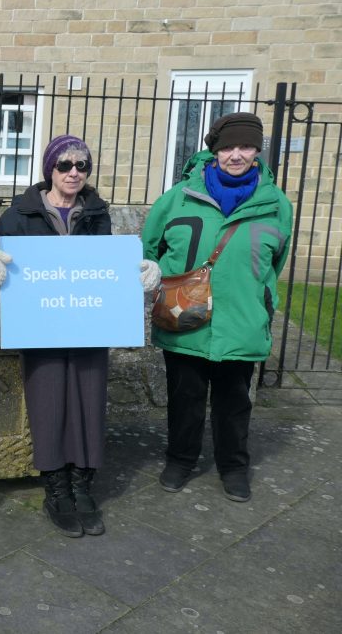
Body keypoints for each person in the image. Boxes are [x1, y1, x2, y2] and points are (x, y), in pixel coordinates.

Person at [141, 112, 292, 503]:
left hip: (241, 320)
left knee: (235, 402)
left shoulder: (277, 205)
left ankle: (233, 466)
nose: (236, 155)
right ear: (215, 151)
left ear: (257, 151)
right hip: (183, 320)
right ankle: (180, 459)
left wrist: (255, 298)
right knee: (185, 398)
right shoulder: (177, 199)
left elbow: (275, 263)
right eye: (228, 147)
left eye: (245, 146)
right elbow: (149, 249)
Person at [0, 134, 112, 537]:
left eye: (82, 165)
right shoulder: (17, 216)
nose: (74, 172)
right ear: (49, 169)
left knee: (90, 402)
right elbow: (0, 277)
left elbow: (106, 267)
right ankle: (56, 489)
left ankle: (83, 486)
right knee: (48, 403)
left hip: (88, 323)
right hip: (41, 326)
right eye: (65, 165)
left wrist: (137, 273)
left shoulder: (97, 213)